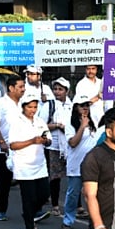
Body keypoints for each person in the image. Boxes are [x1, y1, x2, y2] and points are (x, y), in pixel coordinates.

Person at [9, 93, 52, 229]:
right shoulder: (17, 122)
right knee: (29, 198)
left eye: (35, 106)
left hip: (40, 165)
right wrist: (32, 141)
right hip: (24, 166)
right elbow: (13, 145)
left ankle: (30, 214)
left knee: (44, 194)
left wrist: (45, 141)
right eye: (29, 107)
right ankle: (29, 227)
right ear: (23, 107)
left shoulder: (40, 121)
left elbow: (49, 139)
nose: (32, 110)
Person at [0, 75, 26, 222]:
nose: (23, 90)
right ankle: (0, 210)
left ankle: (32, 212)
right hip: (5, 150)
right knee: (4, 183)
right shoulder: (2, 103)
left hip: (24, 148)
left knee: (27, 181)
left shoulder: (24, 103)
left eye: (24, 87)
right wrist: (2, 141)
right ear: (11, 88)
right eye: (20, 87)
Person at [61, 94, 99, 229]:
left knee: (92, 193)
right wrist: (82, 127)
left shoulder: (92, 121)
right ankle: (68, 219)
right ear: (76, 107)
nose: (85, 108)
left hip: (91, 165)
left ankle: (96, 220)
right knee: (73, 193)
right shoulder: (71, 124)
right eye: (82, 105)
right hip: (76, 165)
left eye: (87, 105)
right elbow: (72, 143)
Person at [44, 78, 72, 216]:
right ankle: (54, 205)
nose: (57, 92)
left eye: (60, 89)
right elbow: (42, 124)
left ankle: (76, 206)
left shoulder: (71, 105)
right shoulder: (49, 105)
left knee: (74, 176)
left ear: (67, 91)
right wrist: (56, 126)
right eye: (55, 89)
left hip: (69, 145)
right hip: (54, 145)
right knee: (55, 177)